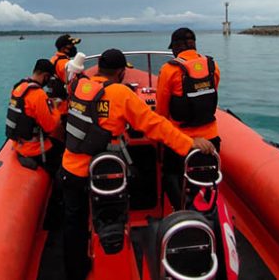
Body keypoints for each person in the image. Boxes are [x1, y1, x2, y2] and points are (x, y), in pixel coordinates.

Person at [59, 48, 216, 280]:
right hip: (102, 175)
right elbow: (154, 125)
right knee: (113, 218)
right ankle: (118, 262)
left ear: (99, 68)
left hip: (69, 169)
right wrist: (189, 143)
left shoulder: (78, 86)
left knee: (73, 224)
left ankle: (77, 272)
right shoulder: (121, 94)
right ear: (122, 73)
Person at [156, 27, 221, 210]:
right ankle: (206, 208)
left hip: (181, 140)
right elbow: (211, 94)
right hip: (211, 137)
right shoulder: (212, 65)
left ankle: (181, 210)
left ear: (176, 47)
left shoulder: (169, 69)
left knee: (169, 175)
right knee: (207, 178)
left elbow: (161, 111)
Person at [5, 59, 62, 171]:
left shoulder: (18, 87)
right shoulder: (39, 95)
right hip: (34, 149)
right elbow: (50, 127)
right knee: (62, 155)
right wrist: (54, 108)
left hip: (19, 144)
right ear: (46, 76)